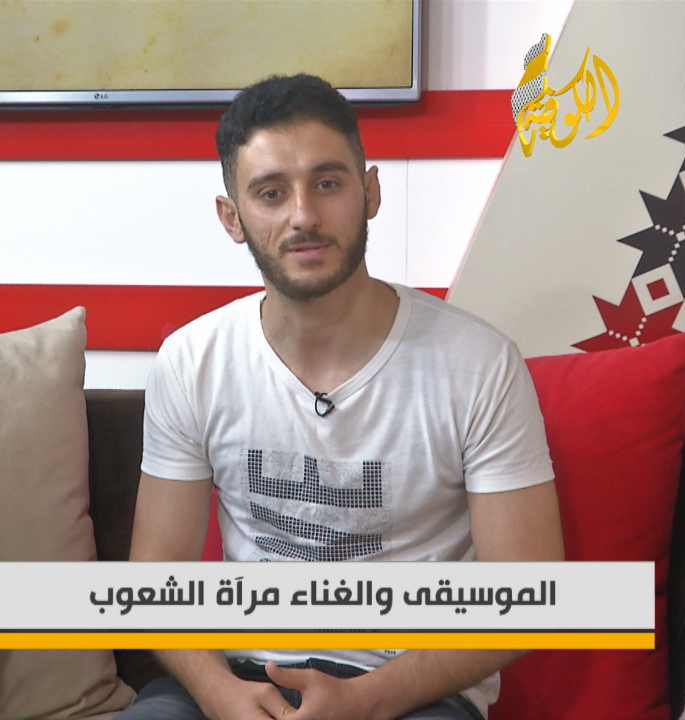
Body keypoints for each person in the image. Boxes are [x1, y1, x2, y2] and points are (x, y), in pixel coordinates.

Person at [119, 74, 565, 720]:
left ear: (370, 191)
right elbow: (155, 575)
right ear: (232, 217)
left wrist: (366, 701)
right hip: (241, 677)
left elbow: (528, 598)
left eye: (327, 183)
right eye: (271, 193)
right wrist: (220, 695)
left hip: (410, 689)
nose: (303, 215)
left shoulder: (480, 365)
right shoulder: (192, 362)